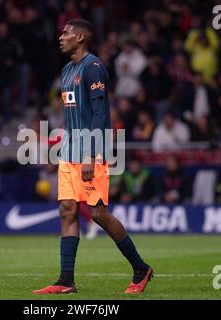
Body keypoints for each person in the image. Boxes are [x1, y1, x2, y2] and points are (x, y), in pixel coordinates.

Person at [33, 19, 153, 295]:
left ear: (81, 37)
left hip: (90, 152)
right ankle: (66, 280)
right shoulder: (66, 70)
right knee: (67, 210)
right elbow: (71, 116)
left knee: (98, 213)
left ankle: (141, 268)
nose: (60, 37)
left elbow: (100, 114)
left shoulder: (93, 67)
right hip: (69, 153)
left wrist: (91, 153)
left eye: (66, 33)